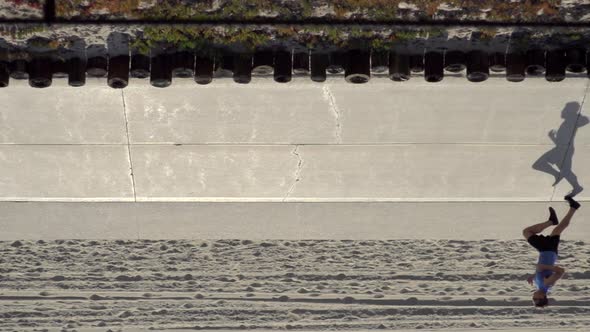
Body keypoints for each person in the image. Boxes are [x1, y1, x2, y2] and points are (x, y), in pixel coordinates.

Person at [522, 195, 581, 307]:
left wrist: (534, 275)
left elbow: (541, 273)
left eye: (533, 300)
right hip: (547, 250)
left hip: (547, 251)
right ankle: (551, 221)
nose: (534, 298)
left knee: (558, 229)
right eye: (537, 299)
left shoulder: (541, 286)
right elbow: (561, 271)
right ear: (543, 297)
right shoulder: (547, 284)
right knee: (527, 232)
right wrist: (544, 267)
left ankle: (573, 207)